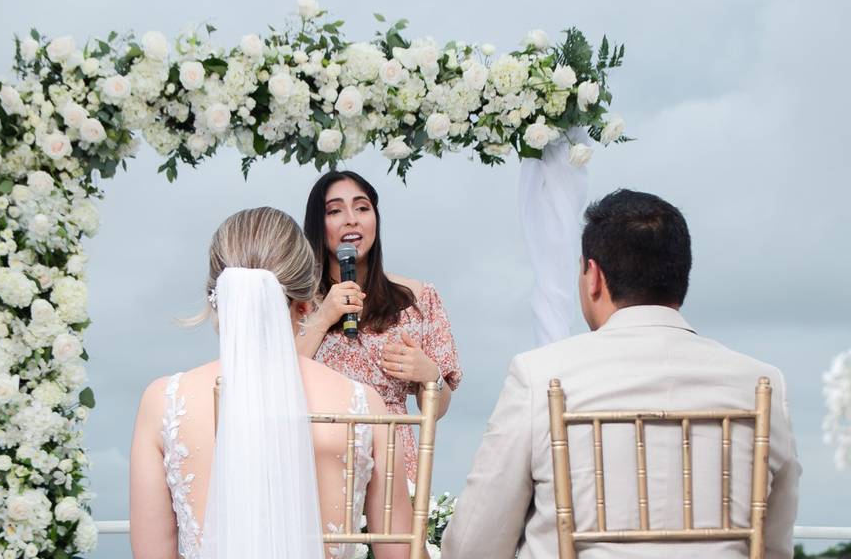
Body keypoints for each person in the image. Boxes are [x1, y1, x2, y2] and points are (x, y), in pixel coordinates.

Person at [442, 189, 800, 559]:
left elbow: (472, 545)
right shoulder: (764, 384)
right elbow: (774, 546)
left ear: (593, 276)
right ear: (681, 276)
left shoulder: (540, 376)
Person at [129, 207, 412, 559]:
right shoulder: (363, 403)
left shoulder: (163, 402)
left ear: (216, 297)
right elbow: (399, 554)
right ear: (307, 303)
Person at [296, 170, 463, 483]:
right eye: (335, 211)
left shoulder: (417, 298)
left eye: (362, 208)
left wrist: (431, 376)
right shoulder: (297, 301)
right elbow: (277, 376)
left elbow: (436, 410)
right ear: (318, 225)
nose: (351, 220)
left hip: (393, 460)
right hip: (320, 455)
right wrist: (323, 317)